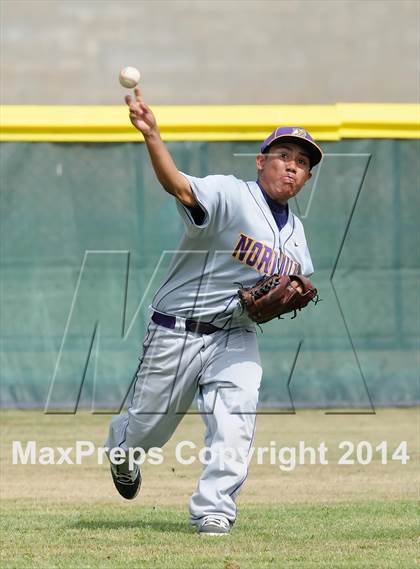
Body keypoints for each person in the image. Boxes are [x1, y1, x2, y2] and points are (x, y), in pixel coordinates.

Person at [105, 88, 323, 536]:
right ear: (261, 161)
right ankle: (122, 451)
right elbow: (178, 185)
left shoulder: (297, 232)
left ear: (305, 178)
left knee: (236, 417)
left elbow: (294, 283)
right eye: (283, 156)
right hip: (177, 330)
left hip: (235, 335)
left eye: (302, 163)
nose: (292, 166)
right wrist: (152, 137)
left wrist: (285, 295)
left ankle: (214, 509)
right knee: (148, 429)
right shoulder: (230, 193)